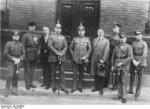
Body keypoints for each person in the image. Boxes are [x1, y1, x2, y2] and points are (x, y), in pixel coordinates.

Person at [48, 21, 69, 94]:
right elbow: (49, 46)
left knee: (62, 72)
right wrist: (57, 53)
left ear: (61, 29)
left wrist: (62, 53)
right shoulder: (51, 36)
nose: (58, 29)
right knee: (53, 72)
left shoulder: (63, 37)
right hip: (53, 56)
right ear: (54, 29)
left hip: (61, 56)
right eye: (57, 28)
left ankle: (63, 87)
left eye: (59, 28)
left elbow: (66, 46)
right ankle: (54, 86)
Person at [69, 22, 91, 93]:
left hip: (83, 59)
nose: (81, 32)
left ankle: (80, 86)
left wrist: (86, 56)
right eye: (79, 31)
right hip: (75, 59)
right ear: (78, 32)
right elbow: (70, 48)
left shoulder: (87, 39)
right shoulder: (74, 39)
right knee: (75, 73)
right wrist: (73, 55)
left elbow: (90, 49)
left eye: (82, 31)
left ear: (84, 32)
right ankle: (74, 86)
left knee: (81, 73)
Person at [111, 33, 133, 103]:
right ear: (119, 39)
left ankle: (124, 96)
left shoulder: (128, 47)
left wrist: (122, 63)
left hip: (124, 66)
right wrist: (112, 65)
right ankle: (119, 94)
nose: (122, 39)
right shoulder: (116, 47)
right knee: (118, 81)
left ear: (125, 39)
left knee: (124, 81)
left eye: (123, 38)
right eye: (121, 38)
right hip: (117, 65)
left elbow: (130, 57)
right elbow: (113, 57)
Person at [3, 31, 25, 97]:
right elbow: (5, 53)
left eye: (18, 35)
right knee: (10, 76)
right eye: (15, 35)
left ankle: (14, 90)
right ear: (12, 36)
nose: (16, 37)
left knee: (16, 77)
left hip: (18, 62)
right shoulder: (8, 44)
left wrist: (19, 59)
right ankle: (7, 91)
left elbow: (24, 54)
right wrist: (13, 59)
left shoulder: (21, 45)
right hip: (10, 62)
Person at [128, 30, 148, 99]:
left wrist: (138, 61)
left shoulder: (144, 43)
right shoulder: (133, 43)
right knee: (132, 76)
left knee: (139, 77)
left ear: (141, 35)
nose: (137, 36)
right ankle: (130, 89)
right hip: (133, 61)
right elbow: (131, 53)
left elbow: (144, 54)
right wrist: (133, 60)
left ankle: (138, 91)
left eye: (139, 35)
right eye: (136, 35)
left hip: (141, 62)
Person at [91, 29, 110, 95]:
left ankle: (100, 88)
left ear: (103, 33)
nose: (100, 33)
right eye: (99, 32)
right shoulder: (94, 40)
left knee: (101, 74)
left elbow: (107, 51)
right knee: (95, 73)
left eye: (101, 32)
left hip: (101, 59)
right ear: (97, 33)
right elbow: (93, 50)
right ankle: (96, 86)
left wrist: (103, 59)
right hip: (95, 59)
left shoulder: (106, 41)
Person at [22, 22, 40, 90]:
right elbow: (23, 46)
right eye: (31, 26)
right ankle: (27, 84)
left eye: (34, 26)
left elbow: (39, 44)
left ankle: (31, 83)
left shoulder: (37, 35)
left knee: (33, 70)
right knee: (27, 70)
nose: (33, 27)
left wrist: (38, 50)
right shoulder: (25, 35)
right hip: (28, 53)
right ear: (28, 27)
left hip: (35, 54)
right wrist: (24, 55)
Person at [107, 23, 121, 89]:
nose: (114, 29)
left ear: (118, 29)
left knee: (116, 69)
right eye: (113, 28)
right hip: (110, 52)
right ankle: (106, 83)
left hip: (117, 54)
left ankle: (115, 84)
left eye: (115, 28)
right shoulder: (110, 36)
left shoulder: (120, 37)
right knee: (109, 67)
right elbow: (108, 45)